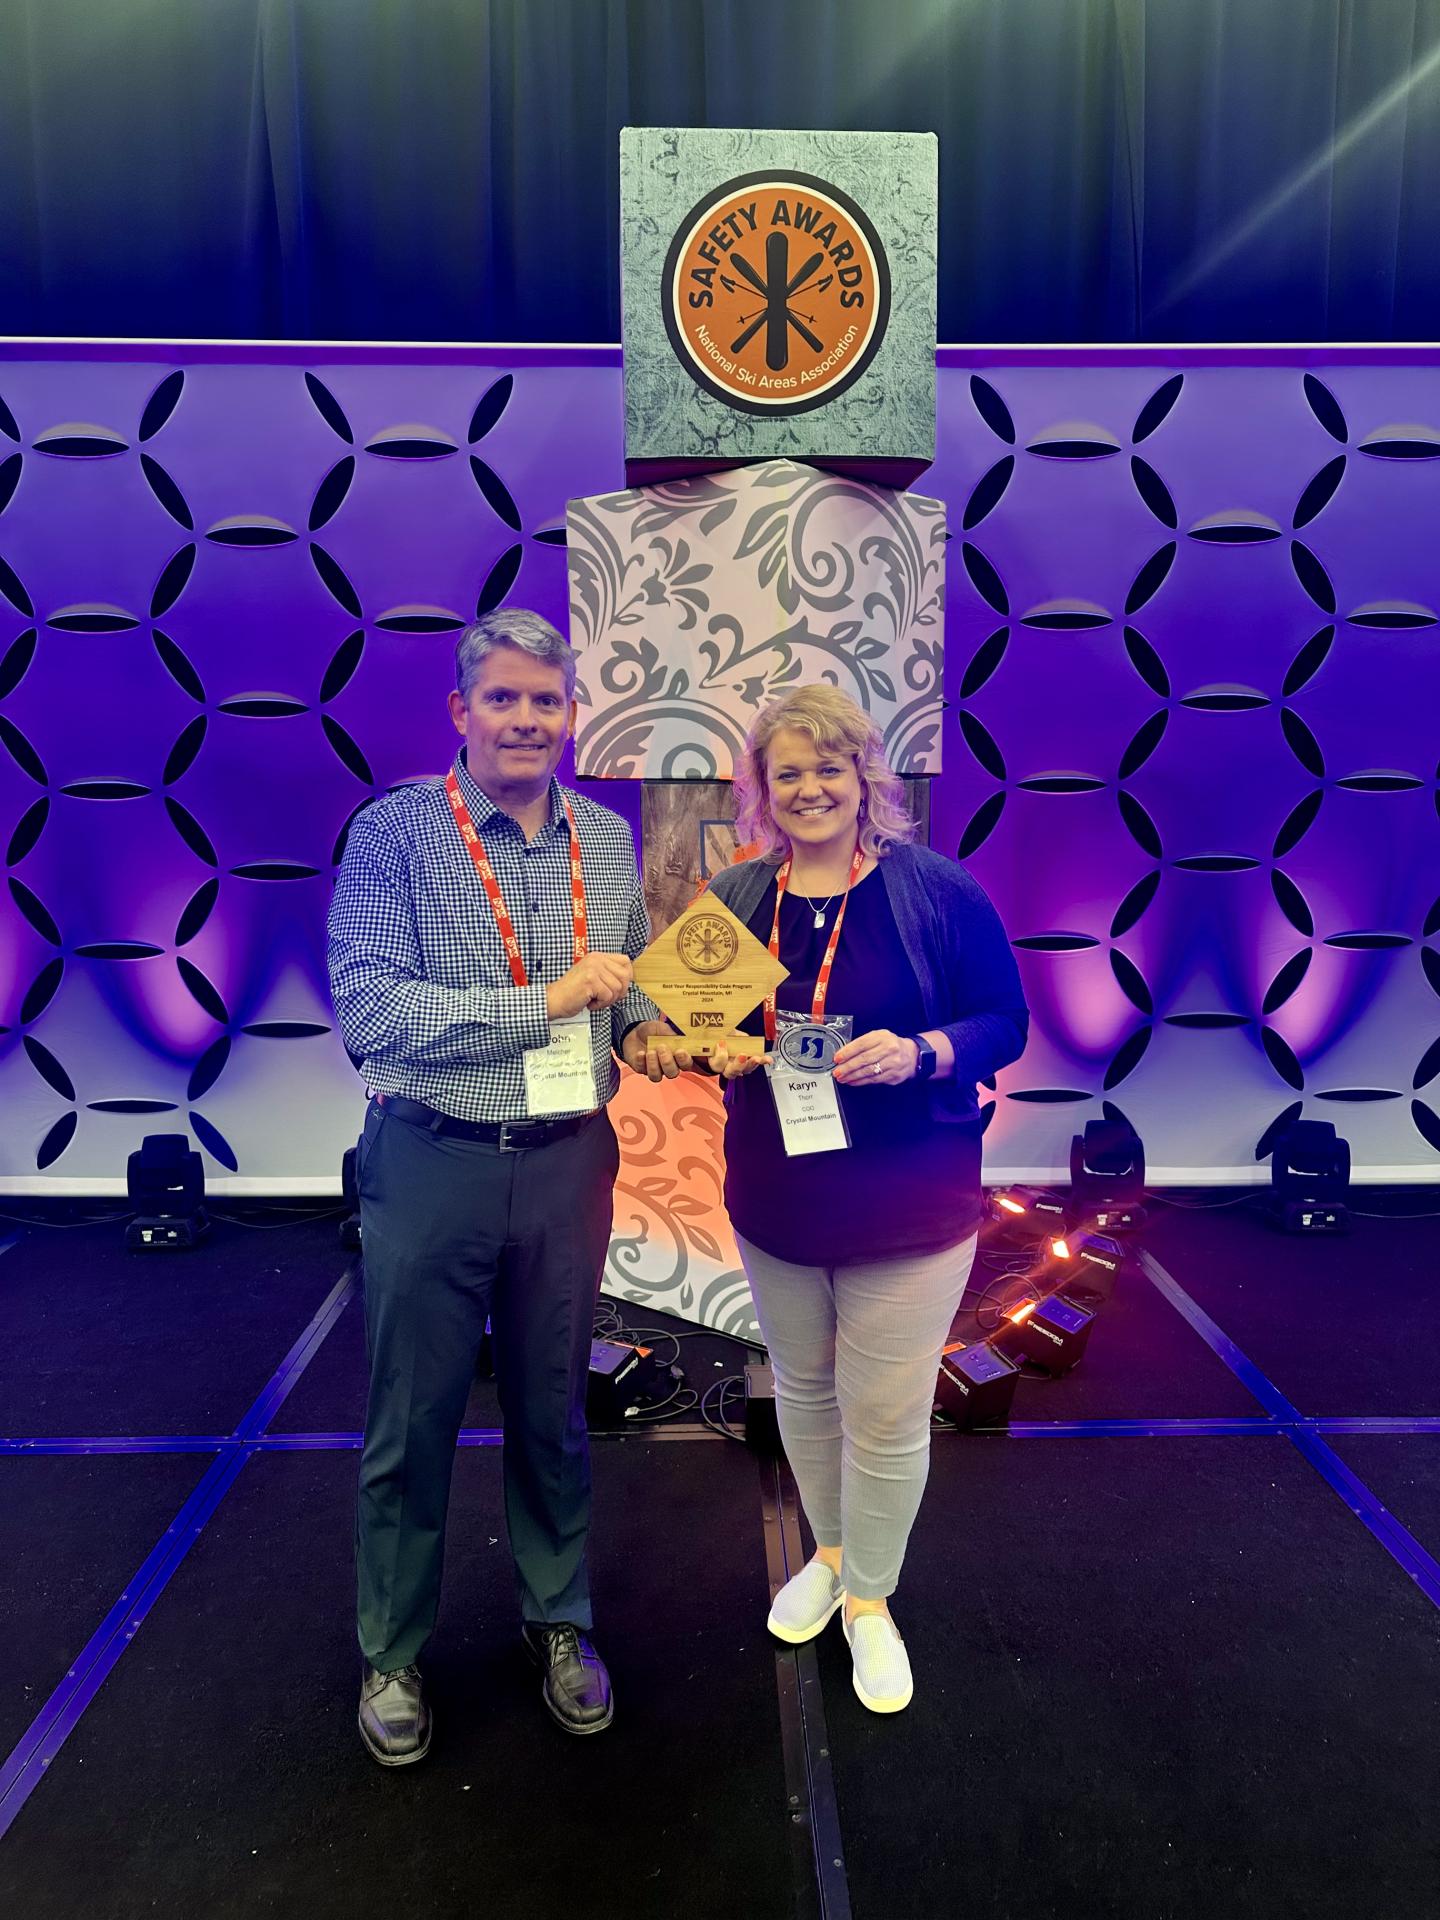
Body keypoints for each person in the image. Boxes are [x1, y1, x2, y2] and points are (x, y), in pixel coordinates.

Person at [327, 608, 675, 1765]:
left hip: (569, 1160)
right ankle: (391, 1650)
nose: (527, 719)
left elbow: (618, 996)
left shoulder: (607, 838)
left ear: (573, 715)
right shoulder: (396, 836)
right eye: (504, 698)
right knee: (409, 1424)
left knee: (554, 1414)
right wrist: (550, 1001)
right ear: (460, 712)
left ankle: (560, 1625)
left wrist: (657, 1034)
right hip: (430, 1160)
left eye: (546, 700)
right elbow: (372, 1014)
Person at [644, 685, 1028, 1714]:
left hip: (911, 1209)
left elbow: (1007, 1021)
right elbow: (671, 1030)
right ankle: (831, 1551)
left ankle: (870, 1600)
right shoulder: (737, 894)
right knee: (805, 1396)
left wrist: (924, 1050)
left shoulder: (934, 891)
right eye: (789, 773)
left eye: (830, 767)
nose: (811, 787)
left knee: (889, 1419)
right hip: (777, 1202)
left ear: (866, 779)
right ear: (762, 792)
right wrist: (699, 1046)